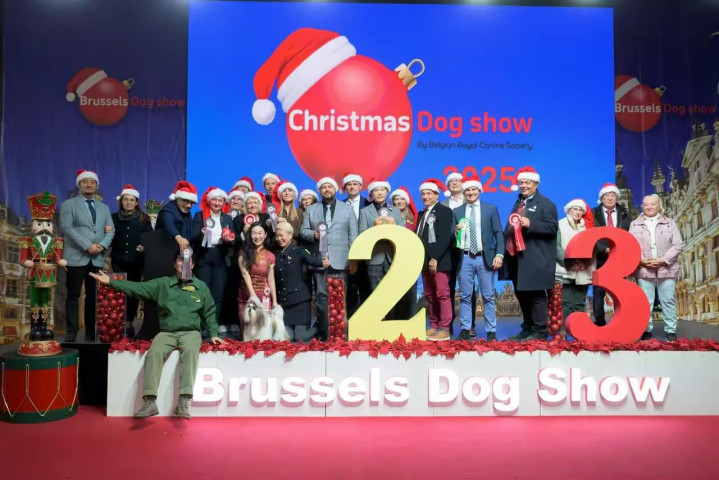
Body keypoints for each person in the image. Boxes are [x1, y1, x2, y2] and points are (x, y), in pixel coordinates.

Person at [89, 251, 224, 419]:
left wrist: (214, 333)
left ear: (193, 265)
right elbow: (138, 288)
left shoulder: (201, 287)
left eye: (188, 260)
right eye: (180, 260)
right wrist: (110, 282)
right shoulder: (163, 284)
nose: (184, 263)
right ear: (174, 264)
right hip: (167, 333)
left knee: (190, 353)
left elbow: (209, 313)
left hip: (190, 332)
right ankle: (150, 401)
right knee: (154, 353)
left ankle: (184, 401)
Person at [501, 166, 558, 341]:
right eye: (521, 182)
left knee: (536, 295)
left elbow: (552, 228)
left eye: (528, 182)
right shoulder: (518, 203)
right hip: (517, 260)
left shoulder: (546, 204)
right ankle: (527, 328)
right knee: (522, 294)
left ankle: (540, 331)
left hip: (535, 260)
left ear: (536, 184)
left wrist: (531, 224)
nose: (524, 185)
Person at [59, 169, 115, 342]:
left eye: (92, 182)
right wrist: (87, 245)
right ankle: (71, 331)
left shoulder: (104, 208)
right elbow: (67, 227)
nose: (89, 185)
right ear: (79, 185)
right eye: (85, 182)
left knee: (93, 297)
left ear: (96, 185)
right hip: (76, 257)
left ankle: (91, 332)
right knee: (73, 295)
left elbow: (111, 230)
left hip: (96, 258)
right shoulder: (69, 205)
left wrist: (102, 245)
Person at [300, 177, 358, 341]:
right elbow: (303, 231)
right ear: (320, 191)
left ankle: (341, 334)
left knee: (340, 298)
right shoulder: (311, 210)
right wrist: (314, 234)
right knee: (321, 298)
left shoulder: (347, 209)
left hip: (341, 261)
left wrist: (353, 260)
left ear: (335, 189)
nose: (327, 189)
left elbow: (353, 236)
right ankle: (324, 333)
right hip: (319, 260)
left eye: (330, 187)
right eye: (324, 187)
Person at [452, 177, 504, 341]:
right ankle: (465, 330)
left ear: (479, 191)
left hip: (484, 258)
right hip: (465, 258)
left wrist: (499, 254)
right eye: (467, 190)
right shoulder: (457, 211)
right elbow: (452, 236)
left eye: (474, 189)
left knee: (488, 296)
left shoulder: (490, 209)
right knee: (465, 296)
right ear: (463, 192)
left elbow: (498, 233)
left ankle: (491, 332)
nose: (471, 193)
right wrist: (455, 232)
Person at [630, 194, 683, 341]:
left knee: (668, 300)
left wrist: (663, 260)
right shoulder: (634, 224)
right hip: (644, 269)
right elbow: (631, 244)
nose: (649, 207)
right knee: (645, 302)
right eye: (646, 204)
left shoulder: (670, 223)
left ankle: (671, 330)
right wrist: (642, 260)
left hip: (667, 269)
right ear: (642, 206)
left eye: (652, 204)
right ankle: (646, 330)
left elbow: (678, 244)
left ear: (659, 205)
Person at [273, 222, 330, 341]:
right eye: (277, 236)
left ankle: (319, 328)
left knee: (300, 337)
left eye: (282, 235)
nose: (279, 239)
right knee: (287, 338)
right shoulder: (276, 255)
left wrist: (322, 262)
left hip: (300, 301)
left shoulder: (298, 250)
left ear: (290, 235)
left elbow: (310, 259)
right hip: (285, 302)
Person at [191, 187, 236, 331]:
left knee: (218, 294)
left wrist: (229, 239)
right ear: (209, 201)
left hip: (221, 258)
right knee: (203, 294)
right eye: (214, 200)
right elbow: (192, 236)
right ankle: (201, 326)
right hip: (204, 257)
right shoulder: (199, 216)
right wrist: (201, 234)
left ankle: (212, 326)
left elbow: (234, 241)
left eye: (220, 200)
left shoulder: (227, 218)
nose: (217, 203)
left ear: (224, 202)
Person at [358, 179, 405, 318]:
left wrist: (394, 225)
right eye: (376, 190)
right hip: (374, 258)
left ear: (387, 192)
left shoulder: (395, 211)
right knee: (375, 292)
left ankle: (391, 322)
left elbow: (403, 233)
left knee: (392, 292)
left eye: (382, 190)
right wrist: (374, 227)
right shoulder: (365, 212)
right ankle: (378, 321)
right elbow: (361, 234)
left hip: (392, 257)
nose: (379, 193)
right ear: (371, 194)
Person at [110, 184, 152, 338]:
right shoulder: (113, 218)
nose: (128, 202)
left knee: (132, 292)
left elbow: (150, 239)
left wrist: (145, 246)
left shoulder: (144, 219)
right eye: (126, 200)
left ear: (136, 203)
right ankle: (118, 321)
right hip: (118, 260)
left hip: (136, 261)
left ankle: (129, 321)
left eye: (131, 200)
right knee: (119, 291)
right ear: (121, 202)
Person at [416, 179, 455, 341]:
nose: (425, 197)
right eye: (423, 194)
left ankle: (444, 327)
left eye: (429, 193)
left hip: (439, 261)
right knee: (430, 295)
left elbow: (444, 237)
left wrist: (434, 258)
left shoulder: (444, 211)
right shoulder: (421, 214)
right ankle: (433, 325)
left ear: (436, 195)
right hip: (424, 262)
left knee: (442, 294)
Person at [591, 183, 632, 326]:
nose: (609, 198)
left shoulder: (625, 214)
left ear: (617, 197)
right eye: (606, 195)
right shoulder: (592, 214)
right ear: (601, 198)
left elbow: (629, 235)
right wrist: (604, 249)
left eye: (612, 195)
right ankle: (600, 323)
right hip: (600, 259)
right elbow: (590, 235)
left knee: (619, 292)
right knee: (598, 292)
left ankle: (620, 324)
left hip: (619, 259)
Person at [556, 199, 596, 322]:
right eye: (575, 209)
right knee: (565, 304)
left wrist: (585, 263)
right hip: (565, 270)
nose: (577, 212)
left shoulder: (588, 227)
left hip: (583, 270)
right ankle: (564, 330)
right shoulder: (560, 224)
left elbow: (593, 247)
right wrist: (570, 263)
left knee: (579, 303)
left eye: (580, 210)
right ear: (568, 210)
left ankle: (578, 330)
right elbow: (556, 247)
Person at [342, 172, 370, 318]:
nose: (352, 187)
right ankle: (351, 320)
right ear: (345, 187)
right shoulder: (340, 205)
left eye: (355, 184)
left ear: (360, 186)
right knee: (350, 289)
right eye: (349, 184)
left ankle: (366, 320)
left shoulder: (369, 204)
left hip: (367, 252)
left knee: (366, 287)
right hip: (346, 252)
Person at [442, 171, 466, 333]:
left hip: (466, 250)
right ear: (448, 186)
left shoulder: (471, 200)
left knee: (467, 288)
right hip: (447, 250)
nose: (455, 183)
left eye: (458, 180)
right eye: (452, 181)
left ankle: (469, 326)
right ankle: (448, 323)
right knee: (448, 288)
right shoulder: (442, 205)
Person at [238, 222, 277, 320]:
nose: (257, 236)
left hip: (264, 296)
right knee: (248, 327)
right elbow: (245, 274)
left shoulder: (270, 256)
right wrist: (253, 295)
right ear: (250, 235)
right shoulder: (243, 253)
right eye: (254, 233)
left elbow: (271, 279)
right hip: (247, 295)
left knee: (264, 327)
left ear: (265, 235)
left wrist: (275, 301)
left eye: (260, 233)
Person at [156, 180, 197, 253]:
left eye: (192, 203)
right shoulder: (168, 209)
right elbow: (168, 223)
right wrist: (178, 237)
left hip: (182, 253)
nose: (189, 205)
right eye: (186, 201)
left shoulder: (186, 211)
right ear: (178, 198)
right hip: (166, 252)